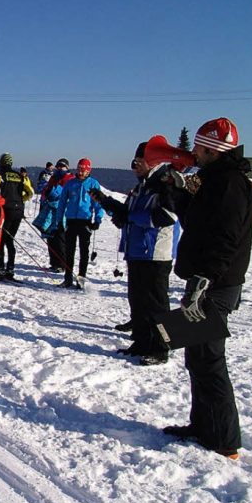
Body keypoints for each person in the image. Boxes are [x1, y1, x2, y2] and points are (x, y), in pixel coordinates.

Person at [162, 117, 252, 460]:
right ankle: (202, 425)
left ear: (210, 149)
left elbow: (225, 239)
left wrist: (204, 280)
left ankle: (225, 440)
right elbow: (197, 223)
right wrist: (176, 191)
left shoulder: (230, 184)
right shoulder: (216, 181)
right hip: (207, 280)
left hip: (214, 285)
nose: (194, 154)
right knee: (197, 357)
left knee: (211, 360)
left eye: (199, 148)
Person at [91, 141, 180, 365]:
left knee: (156, 304)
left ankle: (161, 348)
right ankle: (141, 342)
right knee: (138, 301)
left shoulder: (163, 184)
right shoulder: (141, 187)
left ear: (152, 161)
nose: (134, 166)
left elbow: (168, 216)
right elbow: (128, 212)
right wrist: (106, 201)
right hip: (137, 250)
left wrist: (130, 217)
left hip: (156, 253)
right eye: (134, 162)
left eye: (139, 161)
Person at [56, 158, 104, 288]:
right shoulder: (70, 183)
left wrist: (98, 220)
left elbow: (98, 204)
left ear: (89, 171)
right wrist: (59, 220)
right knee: (69, 251)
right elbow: (62, 203)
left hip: (85, 221)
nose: (81, 173)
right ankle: (67, 279)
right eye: (79, 170)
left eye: (84, 170)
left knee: (84, 252)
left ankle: (81, 279)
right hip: (71, 220)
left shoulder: (93, 184)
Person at [33, 158, 74, 272]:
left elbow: (66, 194)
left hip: (63, 212)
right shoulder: (54, 177)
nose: (60, 168)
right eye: (59, 166)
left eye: (63, 166)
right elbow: (46, 190)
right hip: (50, 209)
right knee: (50, 236)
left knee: (60, 237)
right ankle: (54, 262)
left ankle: (62, 263)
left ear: (67, 167)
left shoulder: (69, 179)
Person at [0, 153, 27, 281]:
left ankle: (0, 269)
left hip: (5, 210)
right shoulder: (19, 176)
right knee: (10, 239)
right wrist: (22, 200)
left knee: (1, 239)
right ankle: (11, 268)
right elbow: (30, 191)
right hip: (18, 210)